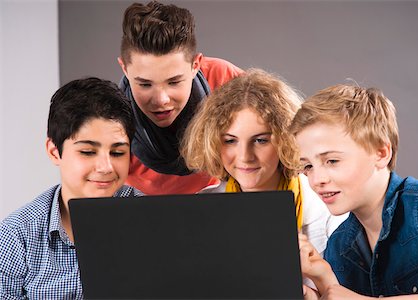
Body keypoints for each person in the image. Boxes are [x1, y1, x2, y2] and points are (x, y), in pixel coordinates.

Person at [290, 84, 418, 299]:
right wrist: (324, 283)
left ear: (381, 153)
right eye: (307, 166)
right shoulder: (338, 246)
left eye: (332, 161)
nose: (317, 180)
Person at [0, 78, 143, 299]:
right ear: (54, 152)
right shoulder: (16, 236)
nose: (105, 167)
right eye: (87, 152)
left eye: (117, 153)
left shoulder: (152, 219)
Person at [180, 68, 347, 254]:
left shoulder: (327, 205)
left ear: (286, 141)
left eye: (260, 140)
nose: (245, 157)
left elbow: (342, 283)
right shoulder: (202, 207)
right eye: (230, 141)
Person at [117, 0, 243, 195]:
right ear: (124, 68)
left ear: (195, 65)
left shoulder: (226, 81)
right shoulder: (113, 121)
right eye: (145, 84)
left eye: (174, 82)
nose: (161, 100)